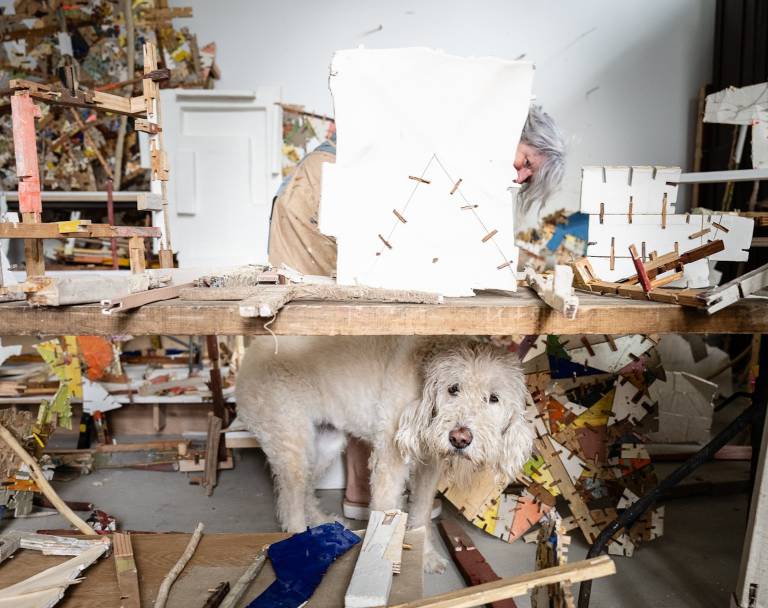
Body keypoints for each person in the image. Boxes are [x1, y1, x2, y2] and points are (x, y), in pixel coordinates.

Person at [267, 105, 566, 519]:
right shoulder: (465, 128)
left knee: (368, 350)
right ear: (516, 132)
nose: (519, 177)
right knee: (328, 334)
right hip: (321, 197)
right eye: (527, 163)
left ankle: (362, 492)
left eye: (528, 178)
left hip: (349, 199)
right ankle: (354, 493)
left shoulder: (475, 162)